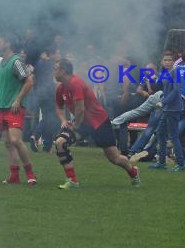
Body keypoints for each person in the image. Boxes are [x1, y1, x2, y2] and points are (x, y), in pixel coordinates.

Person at [53, 58, 141, 189]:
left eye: (55, 69)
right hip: (81, 122)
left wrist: (75, 125)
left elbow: (80, 109)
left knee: (114, 158)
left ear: (63, 71)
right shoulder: (61, 88)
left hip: (99, 123)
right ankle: (72, 181)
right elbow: (59, 107)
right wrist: (64, 120)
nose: (53, 72)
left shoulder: (75, 83)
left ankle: (133, 171)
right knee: (60, 143)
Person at [0, 35, 37, 186]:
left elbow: (30, 81)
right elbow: (4, 87)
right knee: (8, 142)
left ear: (8, 43)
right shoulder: (0, 64)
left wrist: (18, 100)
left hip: (14, 107)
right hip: (3, 107)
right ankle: (14, 176)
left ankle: (30, 174)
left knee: (16, 140)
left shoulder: (16, 61)